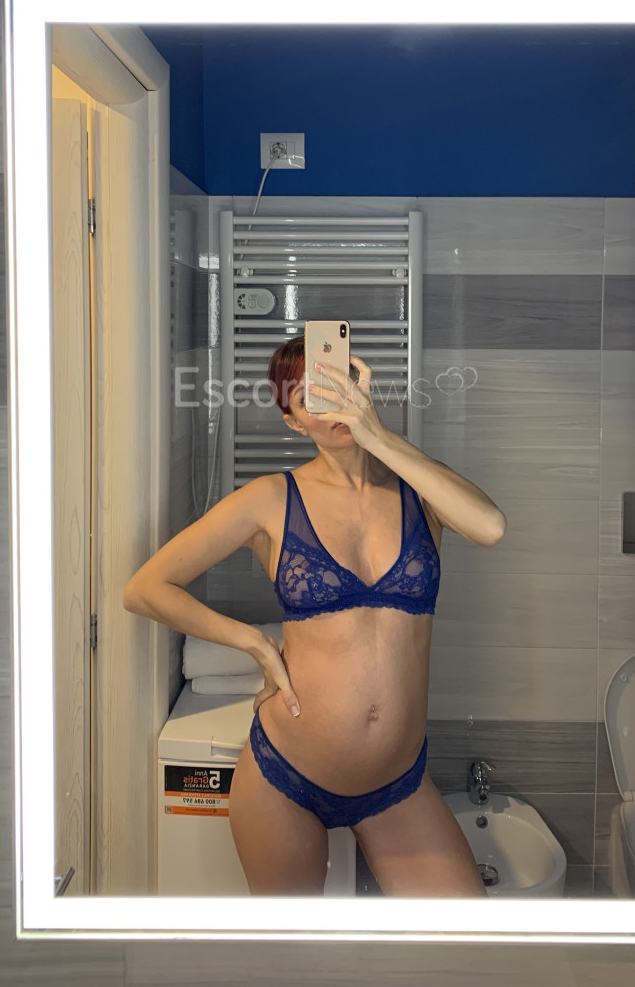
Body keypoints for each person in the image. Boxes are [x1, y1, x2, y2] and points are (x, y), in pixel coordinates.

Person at [123, 335, 507, 897]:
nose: (332, 408)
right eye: (310, 398)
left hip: (396, 784)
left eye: (338, 386)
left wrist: (378, 436)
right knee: (292, 947)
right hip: (286, 777)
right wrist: (254, 643)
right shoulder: (270, 500)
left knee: (465, 937)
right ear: (294, 421)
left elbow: (490, 527)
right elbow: (144, 589)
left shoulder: (421, 489)